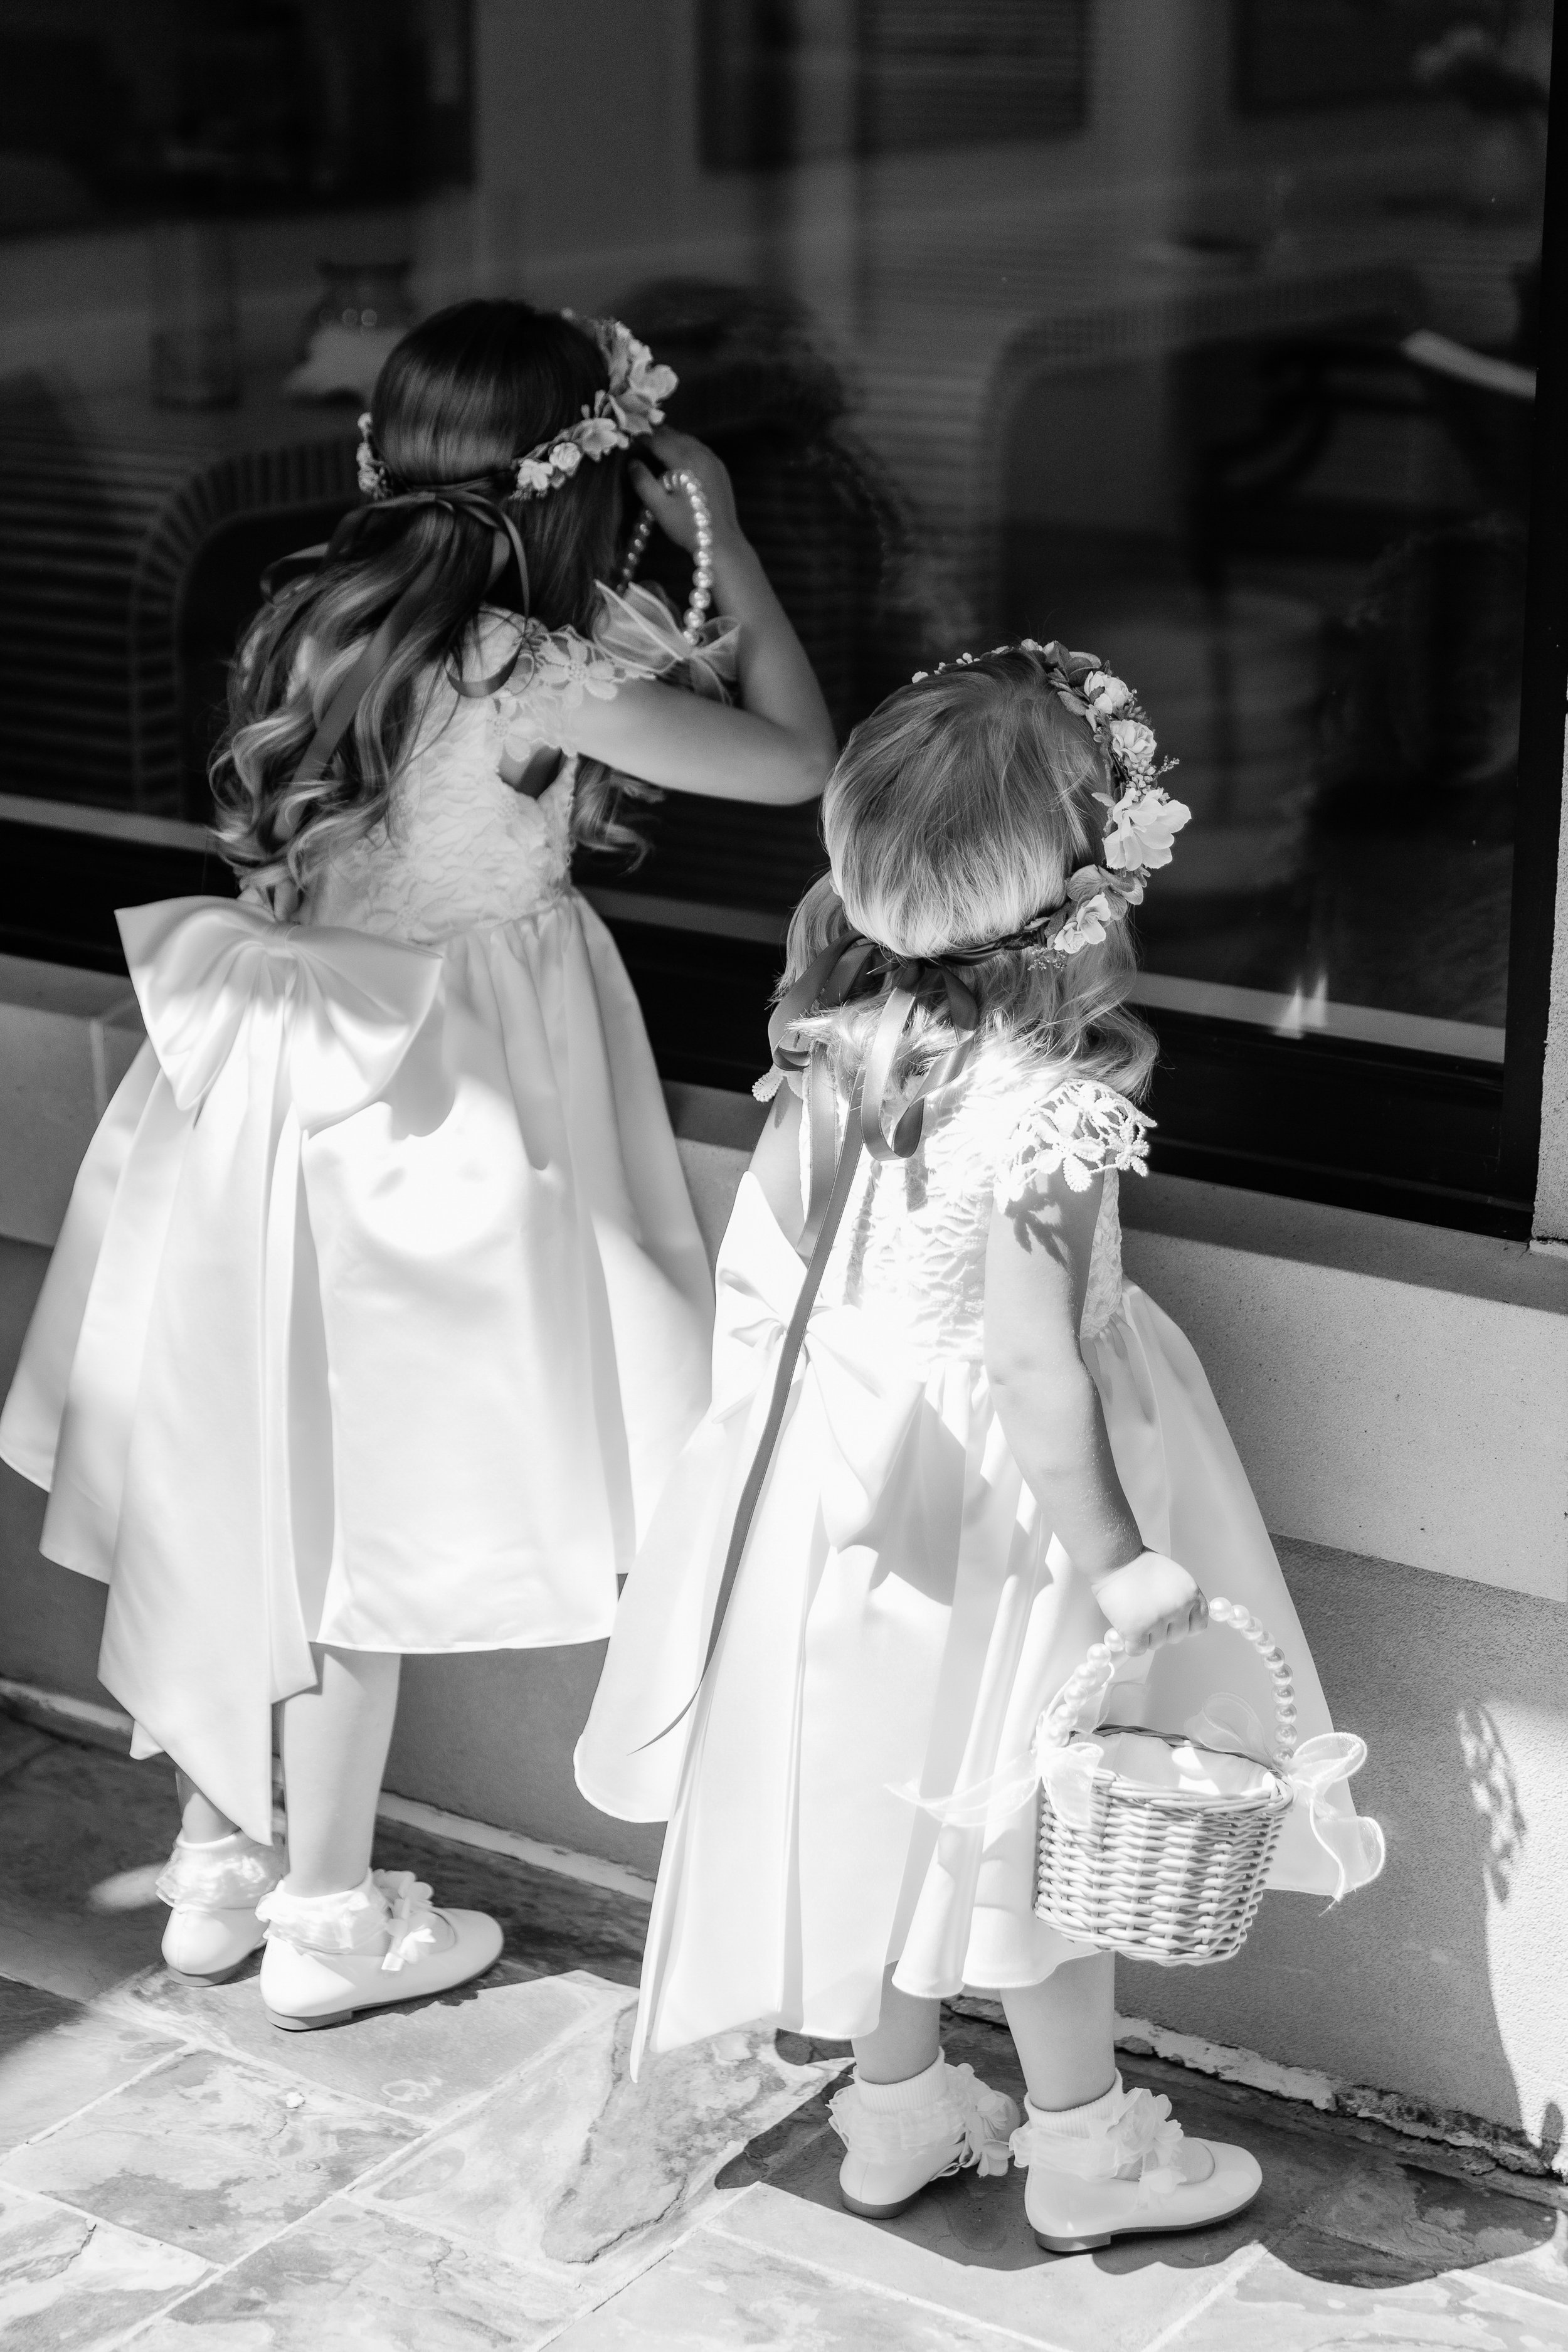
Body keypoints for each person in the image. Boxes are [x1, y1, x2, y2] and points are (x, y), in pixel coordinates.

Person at [0, 299, 834, 2031]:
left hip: (251, 1088)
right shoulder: (534, 670)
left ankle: (221, 1855)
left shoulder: (306, 613)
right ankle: (321, 1913)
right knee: (356, 1521)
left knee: (252, 1471)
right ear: (585, 481)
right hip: (430, 1103)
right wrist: (728, 544)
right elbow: (803, 762)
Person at [576, 642, 1382, 2252]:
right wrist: (1120, 1561)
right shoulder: (1048, 1102)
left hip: (856, 1483)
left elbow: (779, 1270)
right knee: (1039, 1828)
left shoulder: (834, 1038)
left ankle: (896, 2112)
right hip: (1013, 1519)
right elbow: (1027, 1359)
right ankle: (1081, 2147)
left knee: (900, 1801)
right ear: (1086, 881)